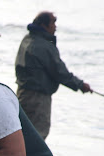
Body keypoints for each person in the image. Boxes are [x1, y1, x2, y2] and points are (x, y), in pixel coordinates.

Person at [15, 11, 93, 140]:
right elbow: (60, 72)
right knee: (37, 136)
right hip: (38, 98)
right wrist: (80, 85)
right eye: (53, 23)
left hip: (23, 93)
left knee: (21, 133)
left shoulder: (27, 39)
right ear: (44, 25)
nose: (55, 27)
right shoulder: (44, 46)